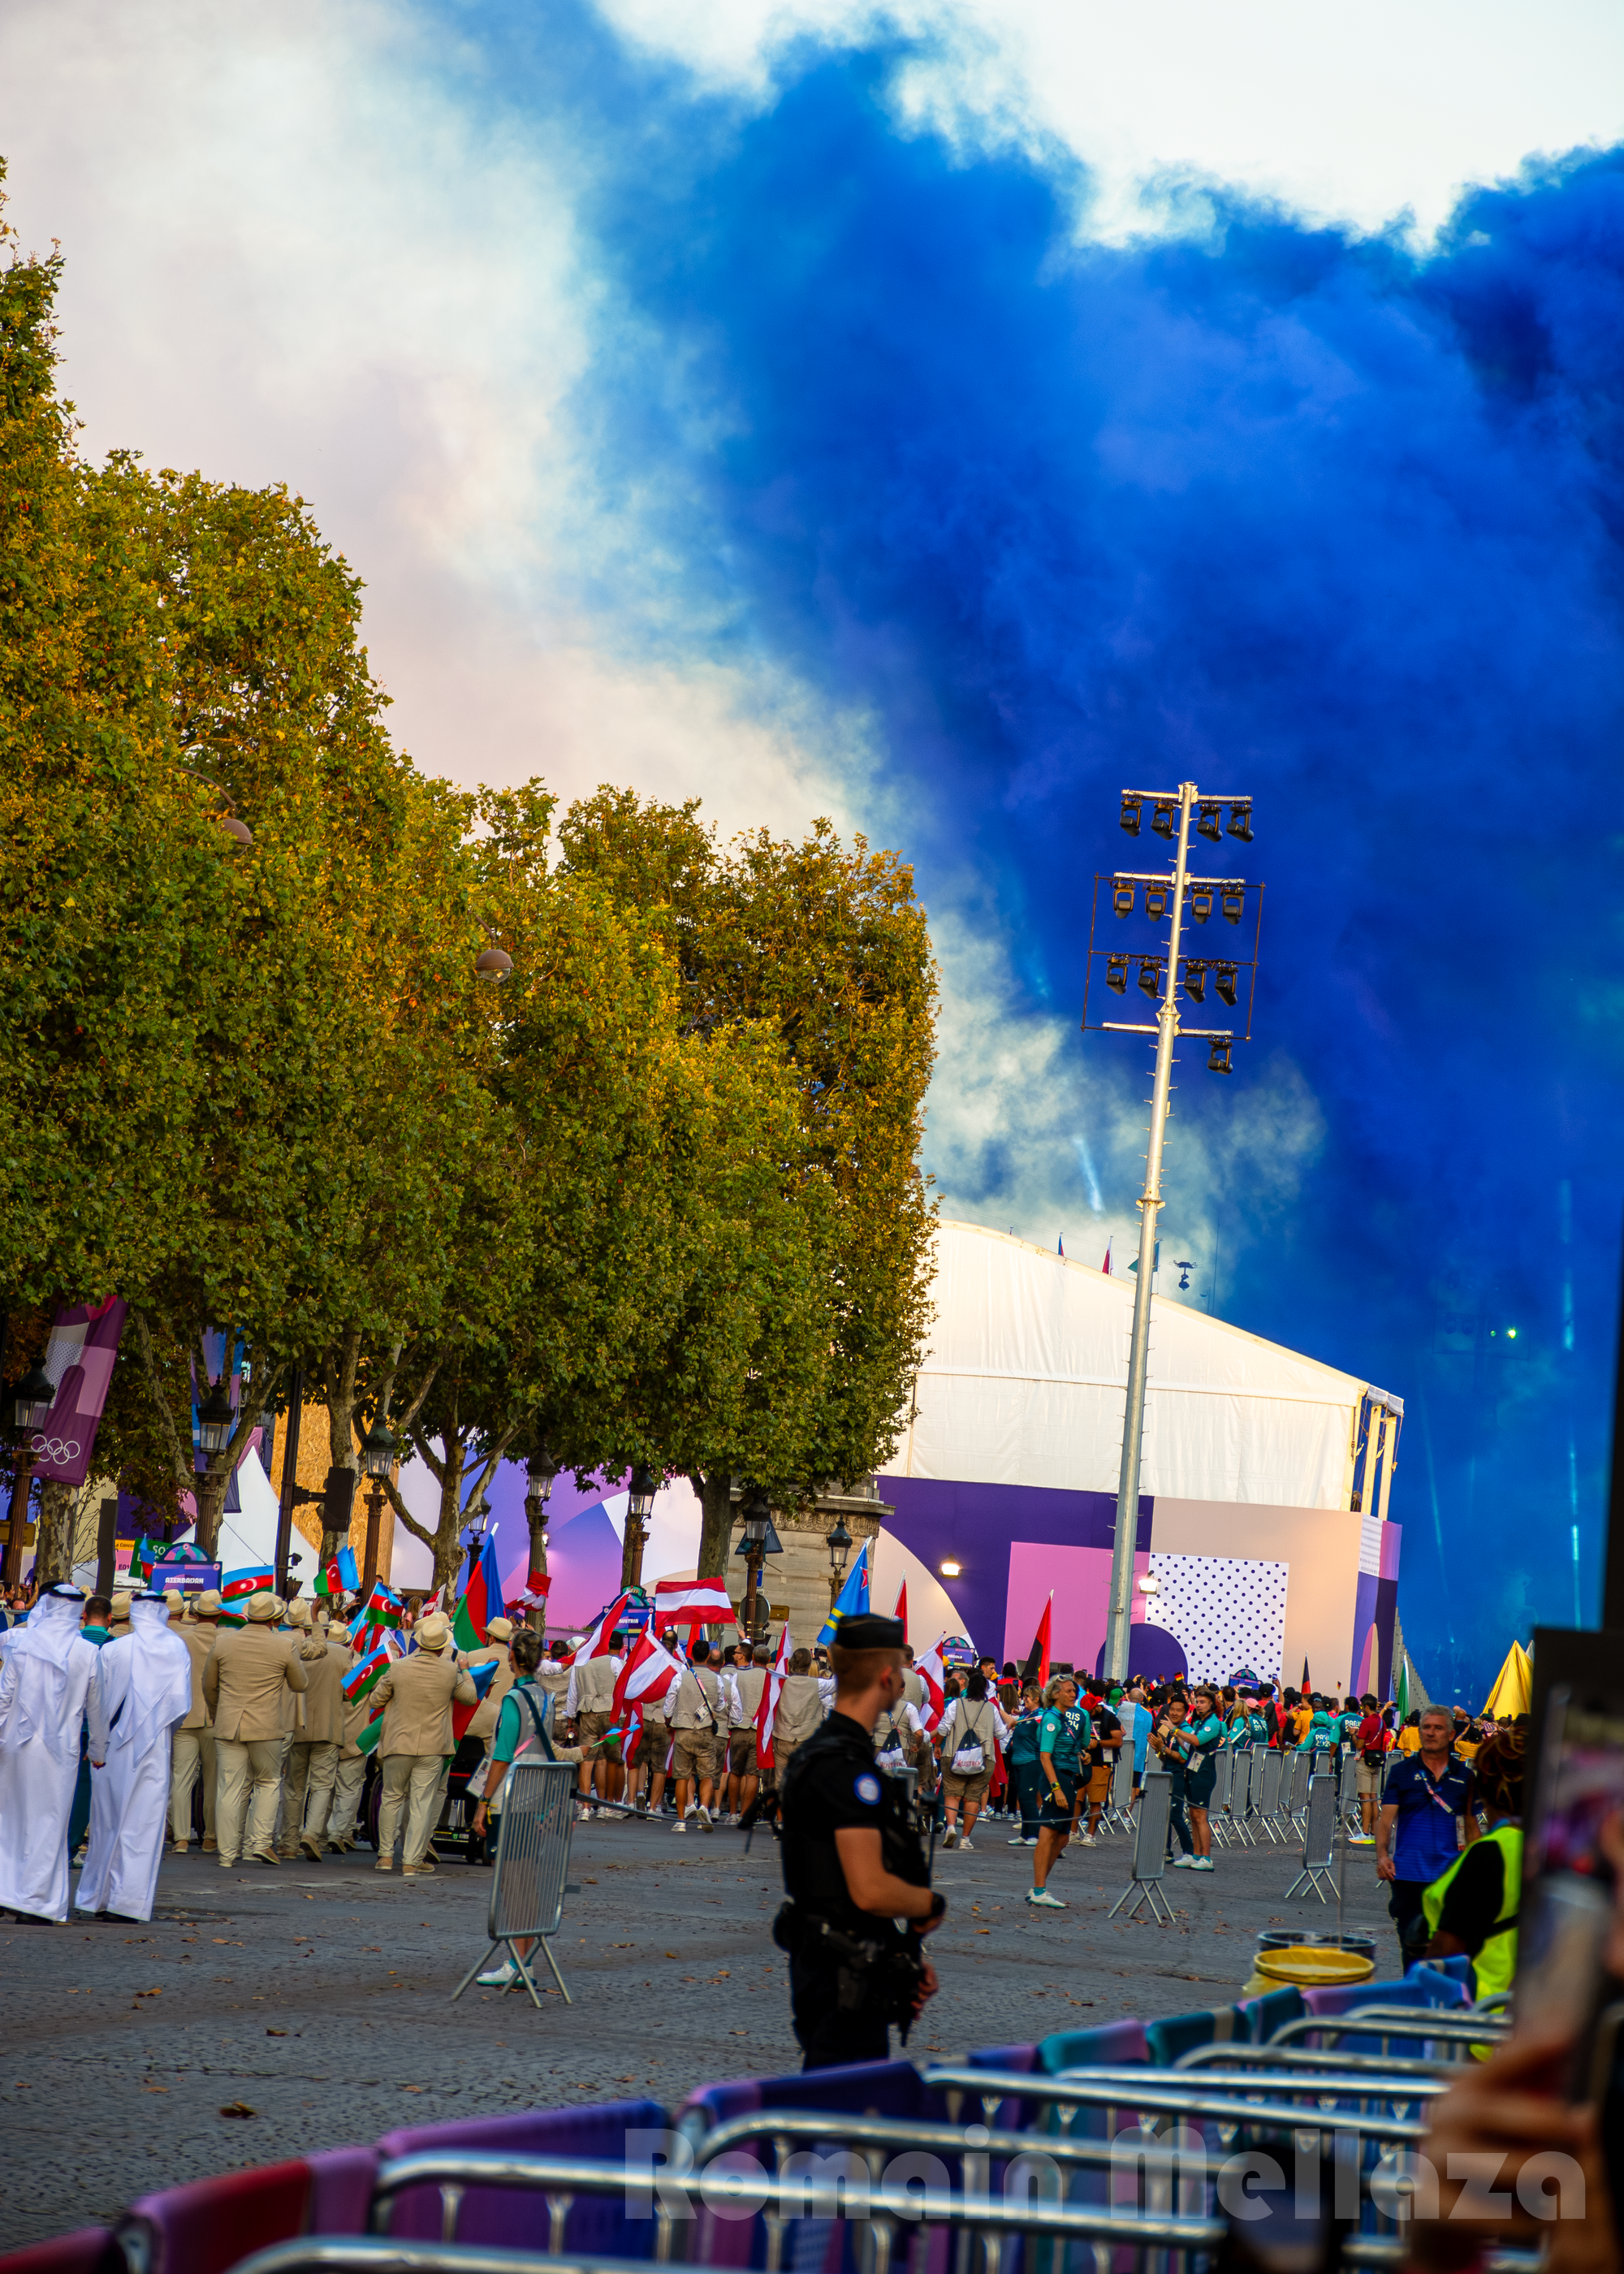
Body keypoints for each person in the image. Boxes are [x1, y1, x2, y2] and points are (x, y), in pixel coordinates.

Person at [775, 1611, 943, 2068]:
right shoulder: (845, 1769)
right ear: (887, 1676)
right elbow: (868, 1889)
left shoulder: (824, 1754)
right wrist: (930, 1905)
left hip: (841, 1964)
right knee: (843, 2115)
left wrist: (900, 1955)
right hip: (841, 1978)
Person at [471, 1626, 597, 1987]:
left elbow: (502, 1756)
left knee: (513, 1881)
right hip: (536, 1795)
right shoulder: (544, 1697)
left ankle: (517, 1961)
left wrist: (482, 1802)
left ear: (513, 1657)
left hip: (510, 1797)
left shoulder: (513, 1700)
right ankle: (521, 1959)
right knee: (524, 1878)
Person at [77, 1589, 192, 1922]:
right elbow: (181, 1706)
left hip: (112, 1746)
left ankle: (96, 1896)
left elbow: (97, 1704)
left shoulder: (115, 1650)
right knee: (142, 1824)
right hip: (154, 1746)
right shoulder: (176, 1649)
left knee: (106, 1822)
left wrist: (97, 1745)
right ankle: (127, 1901)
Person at [0, 1584, 109, 1923]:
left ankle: (5, 1890)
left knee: (11, 1819)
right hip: (61, 1749)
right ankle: (35, 1902)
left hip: (16, 1745)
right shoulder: (87, 1653)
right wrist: (99, 1748)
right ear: (79, 1614)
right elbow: (98, 1708)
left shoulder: (22, 1645)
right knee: (50, 1822)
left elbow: (4, 1697)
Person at [202, 1591, 310, 1868]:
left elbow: (208, 1685)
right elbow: (300, 1685)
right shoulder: (284, 1646)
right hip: (266, 1726)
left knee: (229, 1789)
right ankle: (260, 1843)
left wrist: (217, 1713)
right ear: (275, 1618)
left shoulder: (223, 1642)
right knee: (269, 1781)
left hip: (228, 1724)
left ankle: (226, 1855)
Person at [368, 1610, 477, 1876]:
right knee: (421, 1803)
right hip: (433, 1746)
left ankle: (384, 1856)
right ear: (442, 1647)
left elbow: (374, 1701)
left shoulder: (398, 1666)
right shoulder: (451, 1671)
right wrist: (465, 1671)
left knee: (391, 1798)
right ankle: (411, 1861)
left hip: (397, 1742)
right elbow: (470, 1698)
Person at [1422, 1725, 1522, 2008]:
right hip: (1535, 2021)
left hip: (1481, 2021)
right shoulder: (1562, 1848)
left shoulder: (1492, 1853)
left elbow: (1445, 1951)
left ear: (1488, 1788)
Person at [1376, 1701, 1479, 1965]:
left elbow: (1470, 1827)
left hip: (1451, 1879)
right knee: (1412, 1952)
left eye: (1438, 1728)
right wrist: (1382, 1856)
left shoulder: (1465, 1777)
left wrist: (1478, 1869)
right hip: (1408, 1877)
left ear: (1451, 1734)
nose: (1431, 1733)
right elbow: (1386, 1820)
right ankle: (1414, 2003)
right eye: (1426, 1727)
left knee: (1449, 1955)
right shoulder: (1401, 1772)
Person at [279, 1602, 347, 1861]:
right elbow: (352, 1691)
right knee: (321, 1786)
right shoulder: (342, 1654)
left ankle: (289, 1843)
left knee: (294, 1787)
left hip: (298, 1726)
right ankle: (311, 1833)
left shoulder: (288, 1646)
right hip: (329, 1728)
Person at [170, 1589, 222, 1855]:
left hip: (184, 1716)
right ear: (219, 1614)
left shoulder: (181, 1639)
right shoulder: (227, 1639)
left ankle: (180, 1837)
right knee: (213, 1780)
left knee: (181, 1779)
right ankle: (210, 1836)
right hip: (214, 1717)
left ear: (195, 1614)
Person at [1027, 1675, 1087, 1909]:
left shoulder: (1061, 1717)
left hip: (1067, 1777)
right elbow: (1045, 1756)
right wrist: (1055, 1788)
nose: (1074, 1694)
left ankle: (1038, 1887)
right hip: (1058, 1778)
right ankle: (1039, 1889)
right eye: (1069, 1691)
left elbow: (1068, 1745)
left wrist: (1082, 1754)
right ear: (1055, 1694)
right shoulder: (1052, 1718)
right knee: (1049, 1833)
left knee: (1062, 1837)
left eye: (1075, 1691)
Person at [936, 1670, 1006, 1850]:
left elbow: (943, 1728)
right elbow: (1000, 1733)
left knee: (952, 1793)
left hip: (953, 1755)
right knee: (973, 1798)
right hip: (984, 1759)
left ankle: (950, 1827)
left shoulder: (955, 1704)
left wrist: (937, 1745)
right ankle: (965, 1839)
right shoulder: (991, 1708)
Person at [565, 1628, 624, 1820]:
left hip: (587, 1712)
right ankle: (605, 1805)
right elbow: (623, 1688)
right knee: (608, 1759)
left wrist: (570, 1719)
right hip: (610, 1712)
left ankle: (585, 1808)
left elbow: (572, 1694)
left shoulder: (579, 1663)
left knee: (587, 1758)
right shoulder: (615, 1661)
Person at [667, 1637, 723, 1831]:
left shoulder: (680, 1677)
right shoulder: (717, 1679)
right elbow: (721, 1705)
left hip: (683, 1730)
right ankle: (703, 1810)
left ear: (691, 1655)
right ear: (708, 1656)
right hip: (705, 1731)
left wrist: (670, 1720)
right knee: (707, 1774)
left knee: (682, 1776)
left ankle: (681, 1821)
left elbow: (669, 1704)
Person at [723, 1643, 769, 1824]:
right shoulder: (773, 1679)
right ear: (769, 1660)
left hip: (739, 1728)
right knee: (753, 1775)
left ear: (754, 1658)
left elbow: (731, 1700)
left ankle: (732, 1813)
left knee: (736, 1772)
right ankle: (745, 1815)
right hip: (760, 1732)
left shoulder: (737, 1676)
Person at [773, 1648, 827, 1782]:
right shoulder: (819, 1685)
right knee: (803, 1781)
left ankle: (782, 1802)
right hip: (806, 1740)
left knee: (781, 1782)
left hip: (783, 1737)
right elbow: (838, 1683)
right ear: (809, 1664)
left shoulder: (781, 1682)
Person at [1080, 1683, 1123, 1842]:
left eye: (1090, 1711)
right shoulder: (1084, 1716)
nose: (1088, 1714)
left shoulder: (1108, 1717)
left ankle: (1090, 1835)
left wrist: (1097, 1743)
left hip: (1100, 1762)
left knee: (1095, 1800)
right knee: (1077, 1798)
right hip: (1082, 1761)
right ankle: (1072, 1832)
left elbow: (1118, 1741)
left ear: (1096, 1707)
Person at [1004, 1682, 1045, 1844]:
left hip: (1031, 1761)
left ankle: (1035, 1834)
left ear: (1036, 1698)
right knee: (1023, 1796)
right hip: (1019, 1762)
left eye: (1027, 1697)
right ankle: (1025, 1834)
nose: (1024, 1699)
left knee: (1028, 1797)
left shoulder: (1040, 1716)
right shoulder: (1026, 1715)